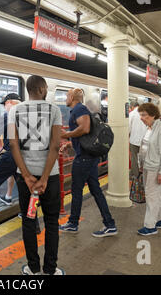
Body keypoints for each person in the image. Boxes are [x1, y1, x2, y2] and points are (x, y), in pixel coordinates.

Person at [8, 75, 64, 275]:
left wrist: (27, 176)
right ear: (42, 89)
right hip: (50, 177)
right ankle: (50, 269)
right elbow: (55, 146)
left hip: (26, 179)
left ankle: (33, 268)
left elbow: (13, 144)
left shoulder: (14, 110)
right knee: (51, 222)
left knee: (29, 220)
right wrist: (45, 178)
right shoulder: (54, 110)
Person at [59, 89, 117, 237]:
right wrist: (70, 143)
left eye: (66, 96)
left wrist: (66, 135)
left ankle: (73, 223)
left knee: (76, 190)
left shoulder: (79, 109)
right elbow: (86, 137)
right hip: (89, 156)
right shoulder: (80, 109)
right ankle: (110, 224)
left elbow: (84, 128)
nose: (65, 98)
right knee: (96, 190)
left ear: (72, 97)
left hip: (84, 158)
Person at [137, 103, 161, 236]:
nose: (141, 118)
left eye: (144, 115)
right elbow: (144, 148)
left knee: (151, 196)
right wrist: (141, 164)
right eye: (140, 115)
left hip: (156, 168)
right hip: (148, 166)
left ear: (153, 115)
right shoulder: (149, 128)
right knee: (155, 194)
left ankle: (150, 226)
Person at [129, 101, 148, 178]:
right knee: (145, 158)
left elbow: (128, 128)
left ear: (132, 107)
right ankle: (145, 174)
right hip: (145, 140)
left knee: (134, 158)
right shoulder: (146, 113)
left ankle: (136, 175)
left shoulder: (132, 114)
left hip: (134, 140)